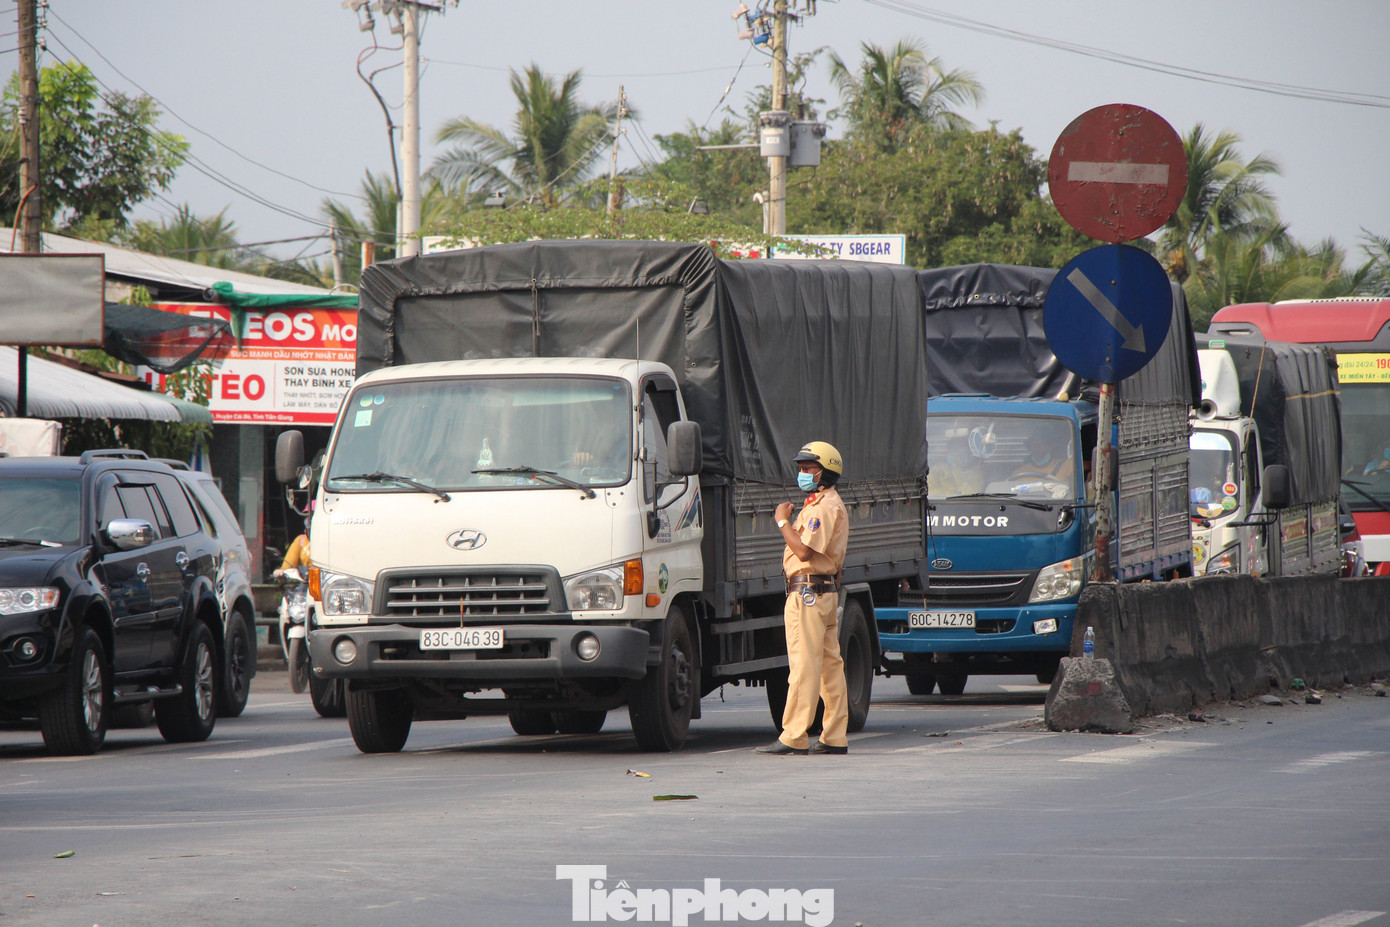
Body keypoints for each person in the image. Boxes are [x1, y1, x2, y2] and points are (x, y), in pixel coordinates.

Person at [756, 441, 851, 756]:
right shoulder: (825, 503)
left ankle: (794, 735)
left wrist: (782, 521)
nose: (802, 474)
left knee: (804, 666)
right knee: (830, 667)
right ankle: (834, 736)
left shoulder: (822, 507)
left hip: (808, 593)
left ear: (825, 472)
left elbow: (802, 551)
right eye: (801, 469)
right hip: (823, 592)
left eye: (808, 469)